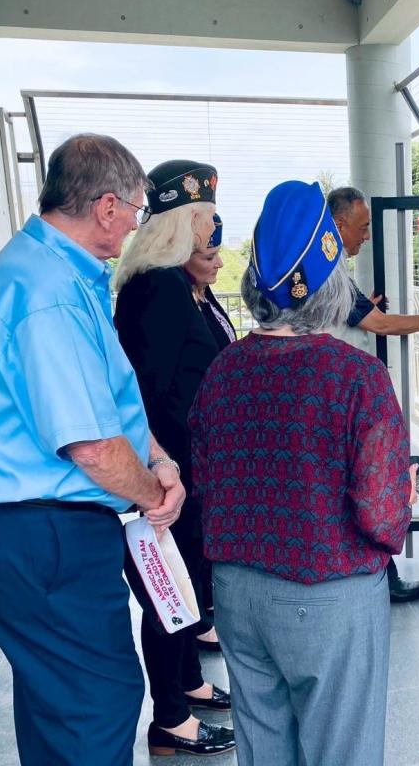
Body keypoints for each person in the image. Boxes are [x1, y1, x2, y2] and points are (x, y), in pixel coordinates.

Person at [0, 133, 186, 766]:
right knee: (95, 705)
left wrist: (158, 459)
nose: (135, 224)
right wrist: (155, 495)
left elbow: (108, 401)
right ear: (107, 207)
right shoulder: (47, 290)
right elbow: (93, 445)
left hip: (31, 533)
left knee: (59, 704)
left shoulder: (51, 272)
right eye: (135, 209)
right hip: (45, 536)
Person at [191, 179, 414, 766]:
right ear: (332, 282)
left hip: (237, 590)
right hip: (328, 590)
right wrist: (404, 491)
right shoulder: (357, 377)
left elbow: (206, 480)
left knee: (262, 745)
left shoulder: (223, 369)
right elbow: (381, 514)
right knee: (342, 750)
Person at [113, 160, 236, 757]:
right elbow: (147, 393)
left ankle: (188, 682)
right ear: (184, 221)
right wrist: (161, 472)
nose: (214, 231)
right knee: (169, 594)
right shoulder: (157, 287)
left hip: (188, 470)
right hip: (172, 475)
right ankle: (170, 719)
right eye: (208, 218)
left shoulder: (168, 285)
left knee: (188, 586)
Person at [328, 185, 419, 603]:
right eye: (363, 226)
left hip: (335, 396)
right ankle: (382, 577)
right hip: (341, 398)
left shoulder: (329, 269)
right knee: (372, 479)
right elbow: (382, 325)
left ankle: (382, 575)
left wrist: (361, 308)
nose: (367, 235)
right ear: (339, 224)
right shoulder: (331, 270)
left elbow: (356, 317)